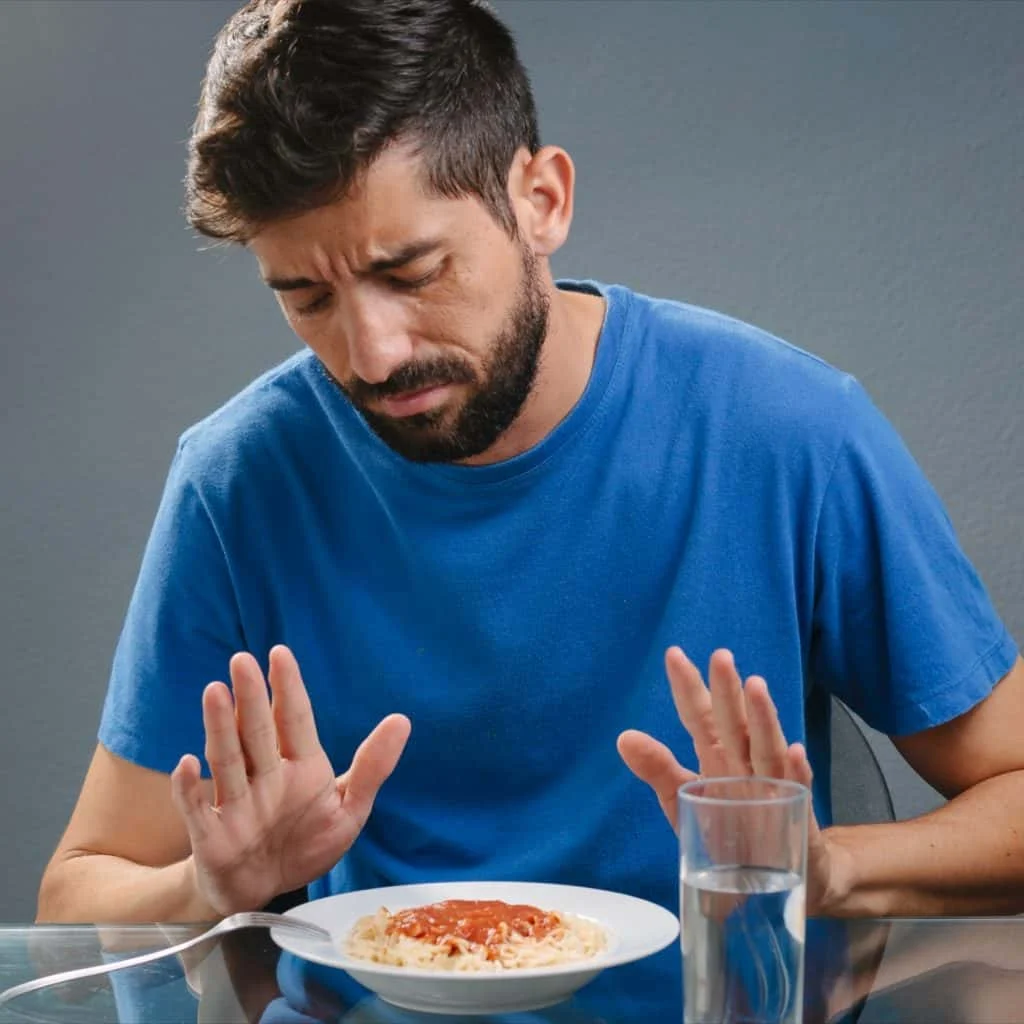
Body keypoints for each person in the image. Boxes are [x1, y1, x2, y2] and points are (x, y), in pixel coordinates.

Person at [36, 0, 1024, 1017]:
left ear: (541, 199)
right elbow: (77, 890)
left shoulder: (787, 429)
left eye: (409, 272)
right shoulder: (237, 481)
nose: (370, 354)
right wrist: (212, 883)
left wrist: (818, 867)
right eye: (309, 298)